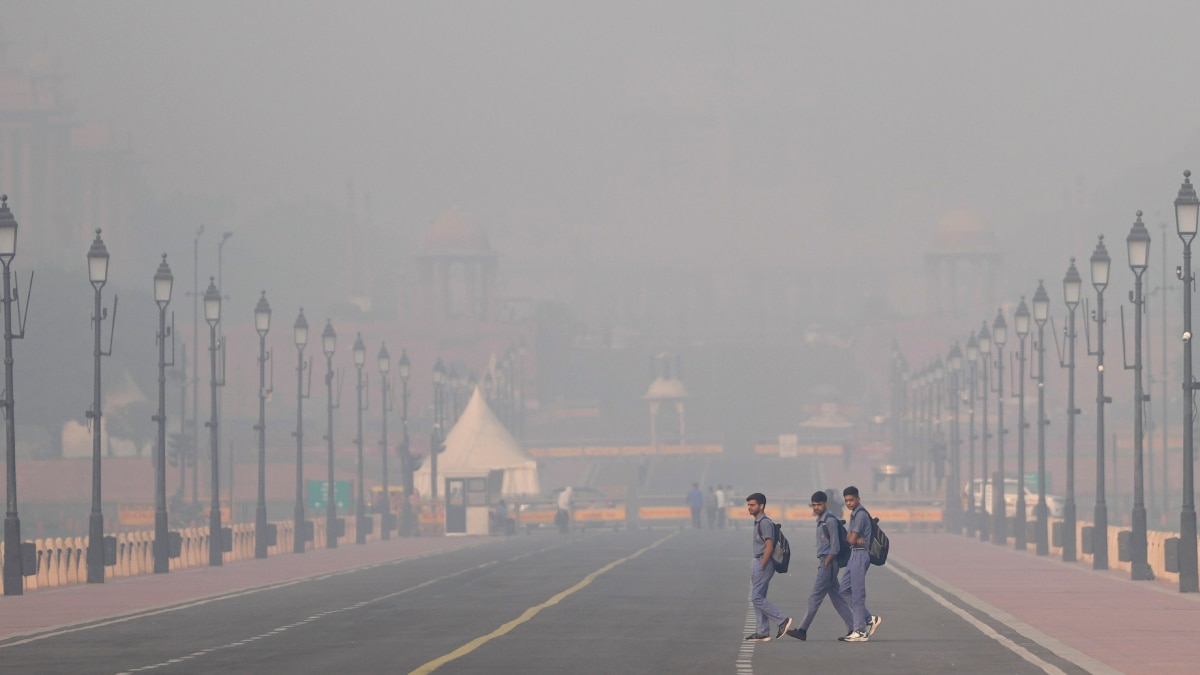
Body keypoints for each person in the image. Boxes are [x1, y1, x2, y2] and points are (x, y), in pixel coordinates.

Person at [787, 491, 853, 641]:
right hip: (826, 563)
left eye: (819, 504)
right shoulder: (821, 521)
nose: (816, 507)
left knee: (814, 597)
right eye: (814, 505)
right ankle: (854, 627)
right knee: (837, 598)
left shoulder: (830, 521)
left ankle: (802, 630)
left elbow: (835, 547)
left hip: (828, 564)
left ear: (826, 504)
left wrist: (826, 563)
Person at [744, 492, 793, 642]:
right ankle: (763, 631)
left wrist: (762, 565)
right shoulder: (758, 522)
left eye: (752, 505)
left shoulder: (765, 523)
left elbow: (769, 546)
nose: (749, 508)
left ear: (761, 506)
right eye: (748, 505)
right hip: (758, 560)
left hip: (763, 562)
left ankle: (782, 620)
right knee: (759, 596)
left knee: (756, 597)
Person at [838, 486, 881, 642]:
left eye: (851, 500)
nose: (848, 503)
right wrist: (853, 538)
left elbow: (849, 538)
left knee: (857, 594)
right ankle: (869, 618)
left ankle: (860, 631)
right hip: (854, 553)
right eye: (846, 501)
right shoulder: (854, 514)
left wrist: (853, 538)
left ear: (858, 499)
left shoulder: (861, 514)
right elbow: (849, 537)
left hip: (861, 553)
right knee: (844, 590)